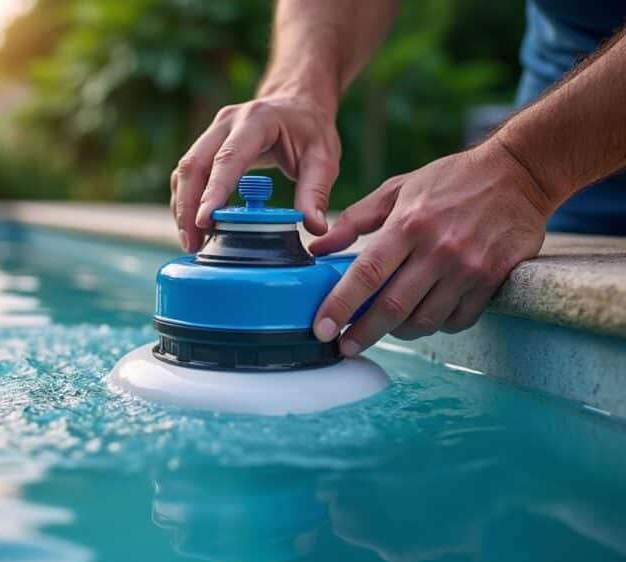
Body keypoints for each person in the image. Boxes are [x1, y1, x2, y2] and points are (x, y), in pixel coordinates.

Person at [170, 0, 626, 357]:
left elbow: (526, 172)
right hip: (566, 198)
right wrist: (299, 89)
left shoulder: (529, 171)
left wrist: (526, 170)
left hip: (551, 159)